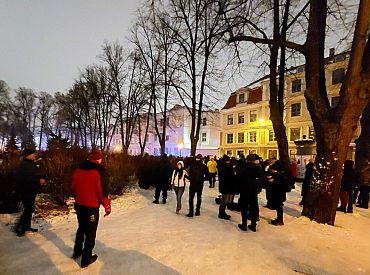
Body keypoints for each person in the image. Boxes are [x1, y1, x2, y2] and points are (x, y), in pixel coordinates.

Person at [70, 148, 111, 268]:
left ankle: (77, 251)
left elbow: (73, 187)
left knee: (81, 228)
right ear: (99, 159)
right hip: (91, 207)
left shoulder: (78, 169)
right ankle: (86, 259)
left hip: (79, 205)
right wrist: (107, 206)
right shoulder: (98, 172)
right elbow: (102, 192)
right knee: (90, 233)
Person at [14, 148, 47, 237]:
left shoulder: (29, 164)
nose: (35, 155)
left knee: (29, 209)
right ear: (29, 155)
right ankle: (19, 228)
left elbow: (35, 174)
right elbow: (28, 178)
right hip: (27, 191)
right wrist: (39, 181)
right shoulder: (25, 165)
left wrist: (42, 178)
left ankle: (26, 226)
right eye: (33, 154)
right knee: (28, 209)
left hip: (30, 190)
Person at [235, 154, 263, 232]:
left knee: (244, 207)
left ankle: (244, 224)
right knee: (253, 207)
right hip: (254, 191)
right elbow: (261, 179)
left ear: (247, 160)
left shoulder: (243, 167)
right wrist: (259, 188)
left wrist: (237, 189)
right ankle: (253, 225)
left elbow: (238, 178)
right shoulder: (258, 168)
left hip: (244, 190)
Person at [267, 160, 290, 225]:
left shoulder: (282, 175)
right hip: (278, 193)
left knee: (279, 206)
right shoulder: (281, 173)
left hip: (279, 193)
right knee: (278, 206)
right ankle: (279, 219)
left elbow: (282, 184)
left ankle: (280, 220)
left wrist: (274, 181)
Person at [217, 154, 236, 220]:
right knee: (224, 200)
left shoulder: (221, 166)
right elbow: (230, 177)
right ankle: (221, 213)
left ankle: (222, 212)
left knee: (224, 200)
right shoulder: (227, 167)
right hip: (227, 186)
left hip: (223, 186)